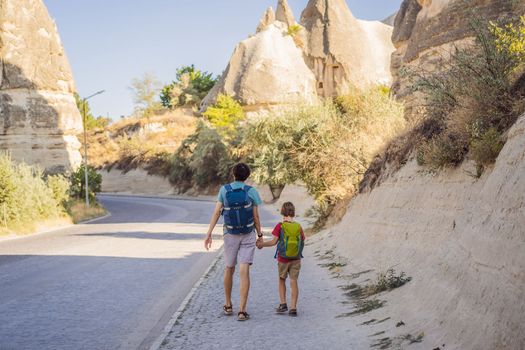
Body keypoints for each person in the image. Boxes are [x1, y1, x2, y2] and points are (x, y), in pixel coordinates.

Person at [204, 163, 263, 321]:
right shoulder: (251, 191)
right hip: (248, 233)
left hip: (229, 233)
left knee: (229, 268)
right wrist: (260, 235)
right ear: (247, 176)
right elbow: (256, 217)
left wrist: (209, 234)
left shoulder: (224, 190)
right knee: (244, 271)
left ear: (233, 174)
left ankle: (228, 305)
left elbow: (217, 213)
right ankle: (242, 311)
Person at [256, 201, 305, 317]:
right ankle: (293, 308)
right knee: (293, 281)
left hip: (283, 259)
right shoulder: (298, 226)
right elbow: (302, 240)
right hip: (296, 258)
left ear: (282, 212)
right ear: (293, 212)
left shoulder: (280, 226)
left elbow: (273, 242)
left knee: (282, 279)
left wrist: (261, 245)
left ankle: (283, 304)